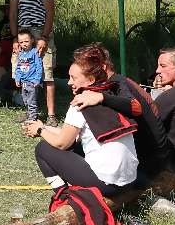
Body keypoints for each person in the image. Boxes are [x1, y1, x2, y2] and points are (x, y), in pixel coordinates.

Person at [24, 44, 138, 197]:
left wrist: (40, 130)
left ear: (90, 80)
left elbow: (62, 143)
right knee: (74, 146)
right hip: (130, 181)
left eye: (74, 78)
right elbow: (73, 136)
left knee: (43, 149)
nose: (69, 82)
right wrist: (43, 126)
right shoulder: (110, 96)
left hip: (107, 185)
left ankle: (64, 196)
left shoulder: (80, 103)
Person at [70, 44, 169, 177]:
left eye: (87, 69)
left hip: (149, 157)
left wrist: (101, 97)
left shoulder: (118, 83)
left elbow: (136, 107)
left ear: (103, 67)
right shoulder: (107, 84)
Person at [9, 0, 58, 125]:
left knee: (47, 72)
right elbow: (13, 12)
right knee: (23, 70)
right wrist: (15, 37)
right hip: (23, 31)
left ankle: (51, 115)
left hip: (40, 29)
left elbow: (50, 11)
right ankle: (31, 112)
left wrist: (44, 36)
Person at [14, 31, 43, 122]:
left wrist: (37, 79)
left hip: (32, 82)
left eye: (26, 41)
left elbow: (39, 67)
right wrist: (17, 78)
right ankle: (29, 114)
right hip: (24, 82)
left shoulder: (34, 52)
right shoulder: (21, 54)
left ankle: (32, 119)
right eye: (21, 42)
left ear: (32, 40)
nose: (24, 44)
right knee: (25, 100)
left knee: (32, 101)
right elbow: (18, 67)